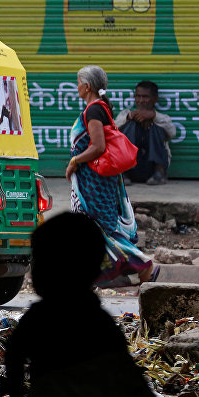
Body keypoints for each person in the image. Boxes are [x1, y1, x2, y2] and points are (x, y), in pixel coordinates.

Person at [6, 212, 197, 397]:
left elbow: (14, 355)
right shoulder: (99, 322)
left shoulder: (42, 319)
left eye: (40, 261)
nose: (33, 270)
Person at [65, 65, 156, 287]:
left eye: (78, 83)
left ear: (86, 87)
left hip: (94, 182)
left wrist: (74, 161)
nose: (77, 87)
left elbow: (98, 147)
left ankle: (143, 265)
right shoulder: (100, 108)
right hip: (96, 180)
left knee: (99, 229)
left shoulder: (94, 110)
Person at [115, 80, 175, 186]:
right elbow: (112, 130)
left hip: (152, 170)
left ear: (154, 99)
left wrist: (153, 116)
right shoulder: (125, 114)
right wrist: (129, 117)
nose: (141, 101)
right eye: (138, 96)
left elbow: (172, 132)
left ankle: (160, 174)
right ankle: (123, 174)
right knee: (130, 125)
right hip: (130, 169)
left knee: (155, 127)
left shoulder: (162, 118)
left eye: (145, 97)